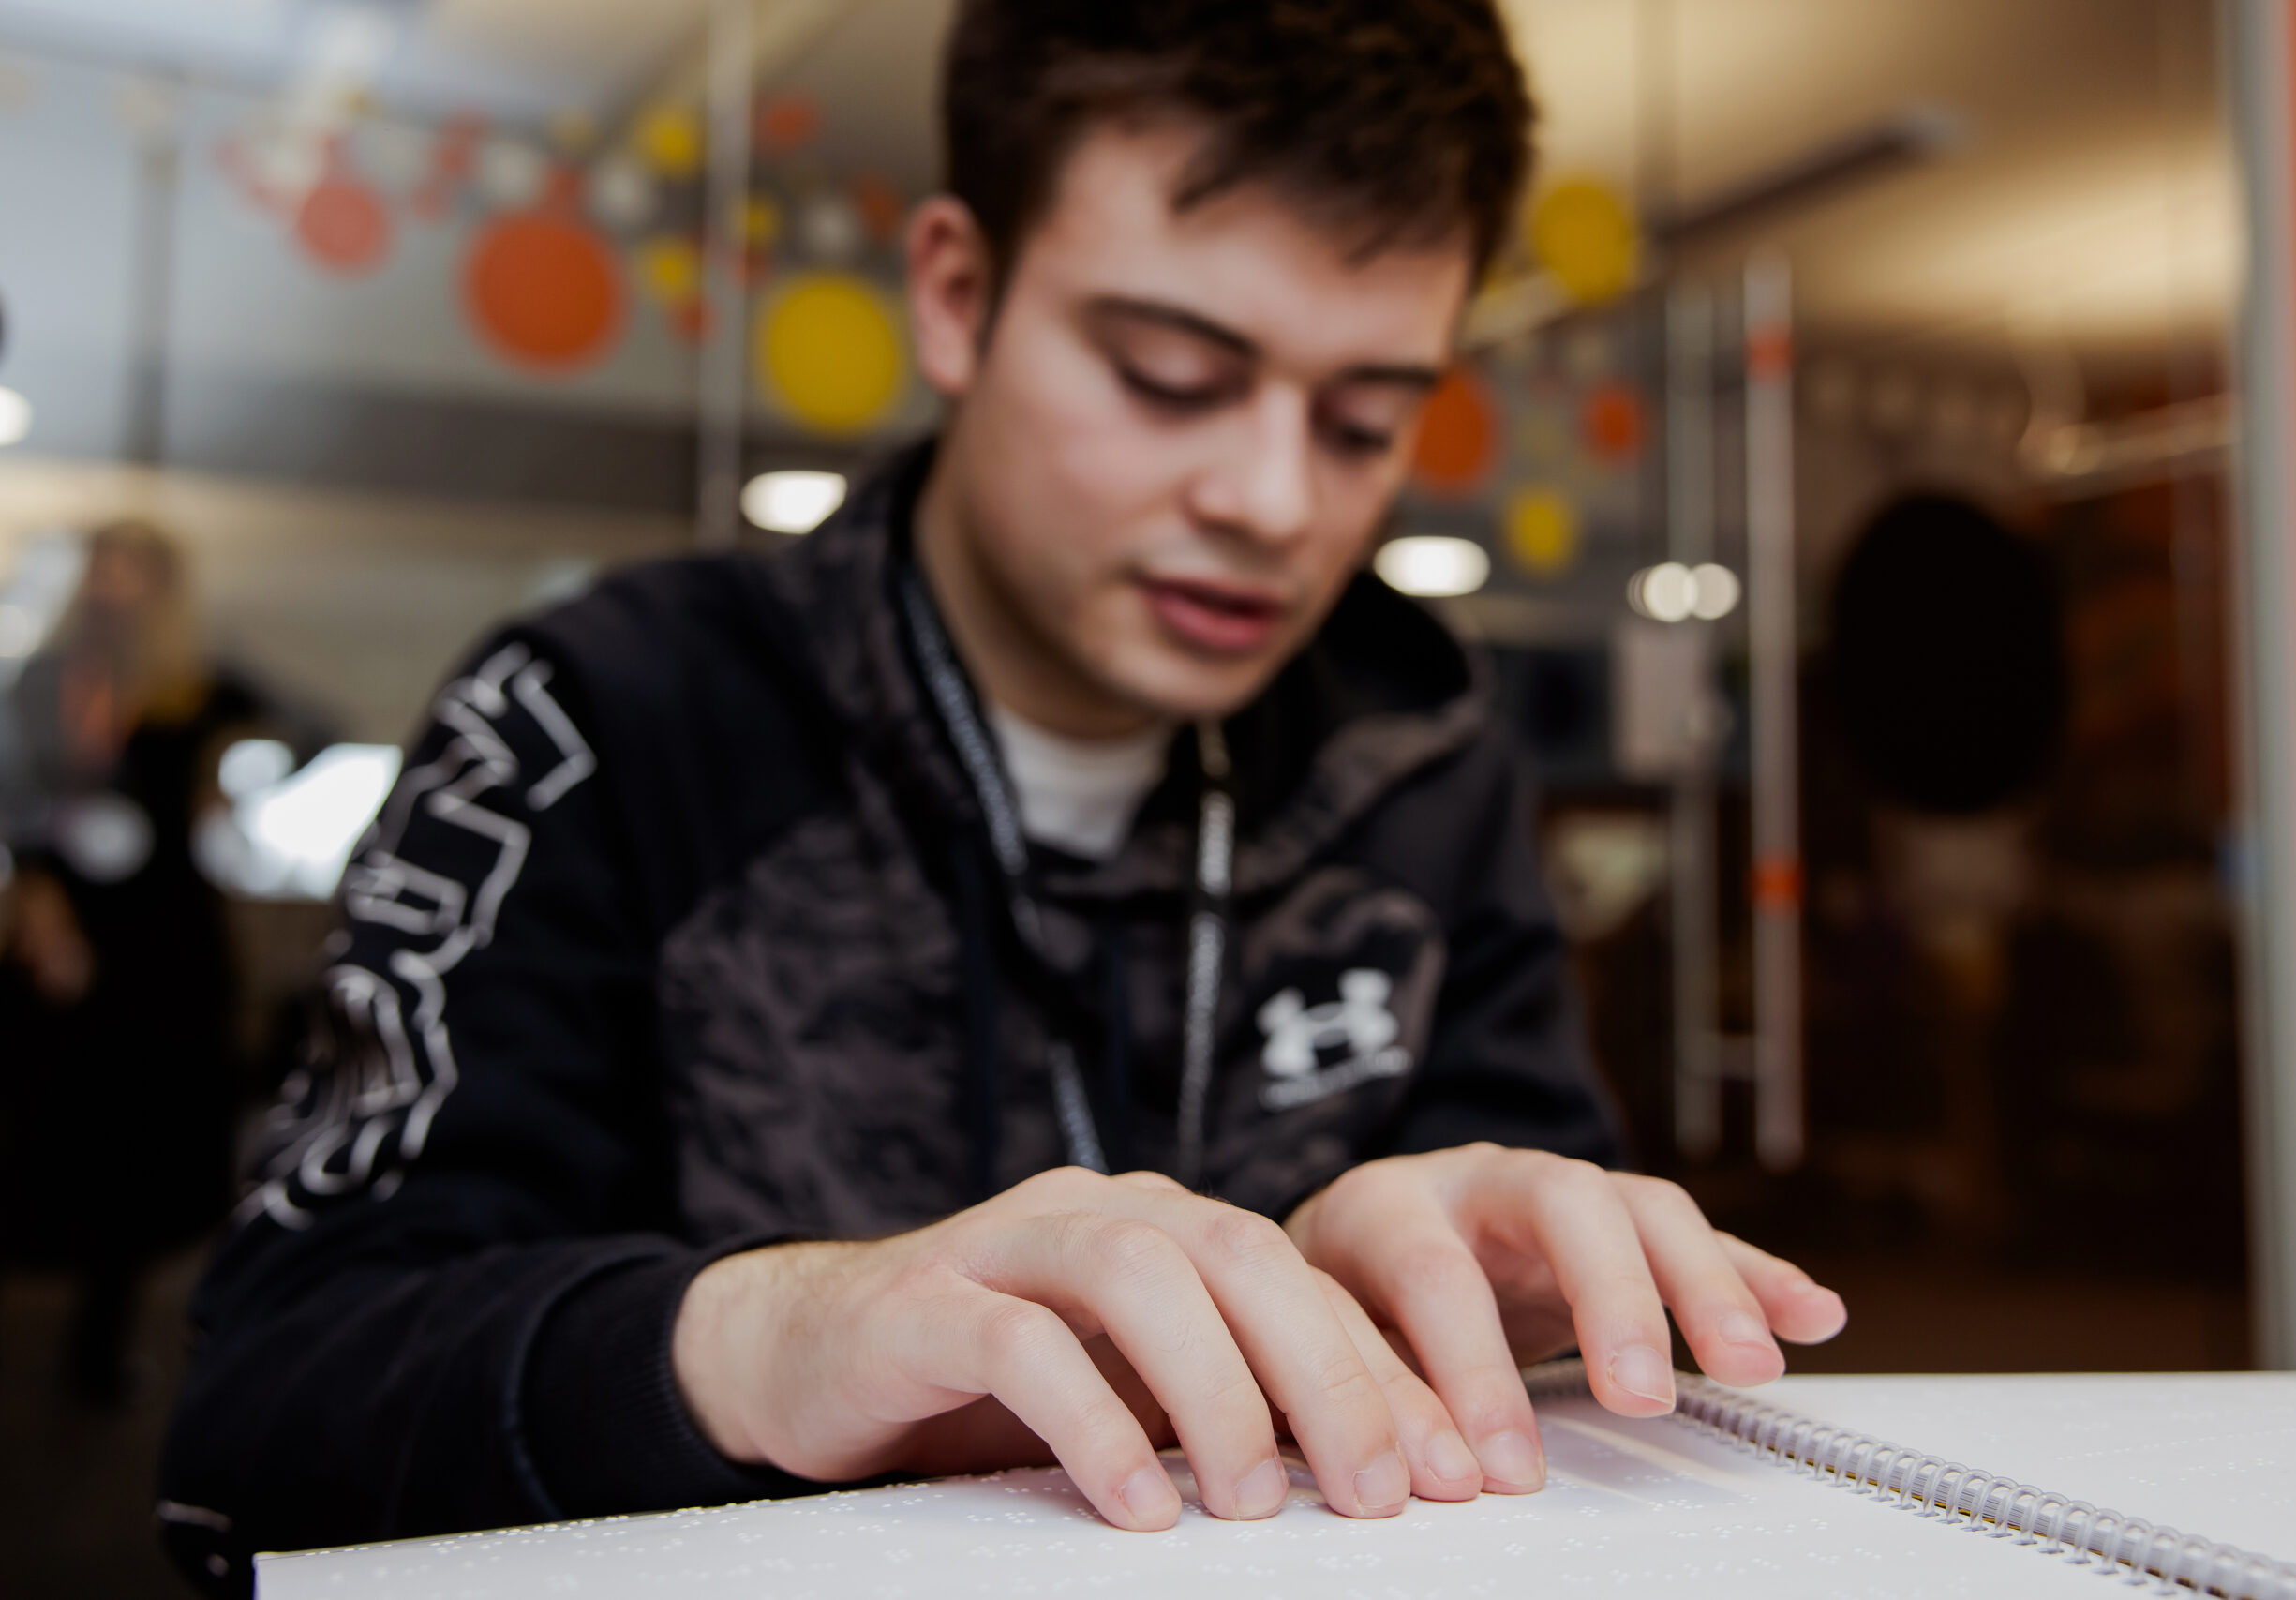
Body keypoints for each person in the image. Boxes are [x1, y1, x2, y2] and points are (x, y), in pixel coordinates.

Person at [158, 0, 1847, 1587]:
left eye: (1363, 420)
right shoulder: (604, 719)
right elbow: (255, 1426)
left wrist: (1507, 1286)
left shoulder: (1425, 759)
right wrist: (761, 1340)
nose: (1271, 498)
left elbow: (1545, 1343)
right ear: (957, 296)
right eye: (1172, 376)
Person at [0, 520, 249, 1403]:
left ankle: (100, 1348)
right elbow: (16, 797)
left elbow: (310, 726)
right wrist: (36, 900)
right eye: (101, 566)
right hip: (66, 922)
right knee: (42, 1119)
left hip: (164, 940)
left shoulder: (195, 686)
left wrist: (233, 777)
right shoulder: (44, 678)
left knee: (146, 1141)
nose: (111, 584)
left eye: (130, 569)